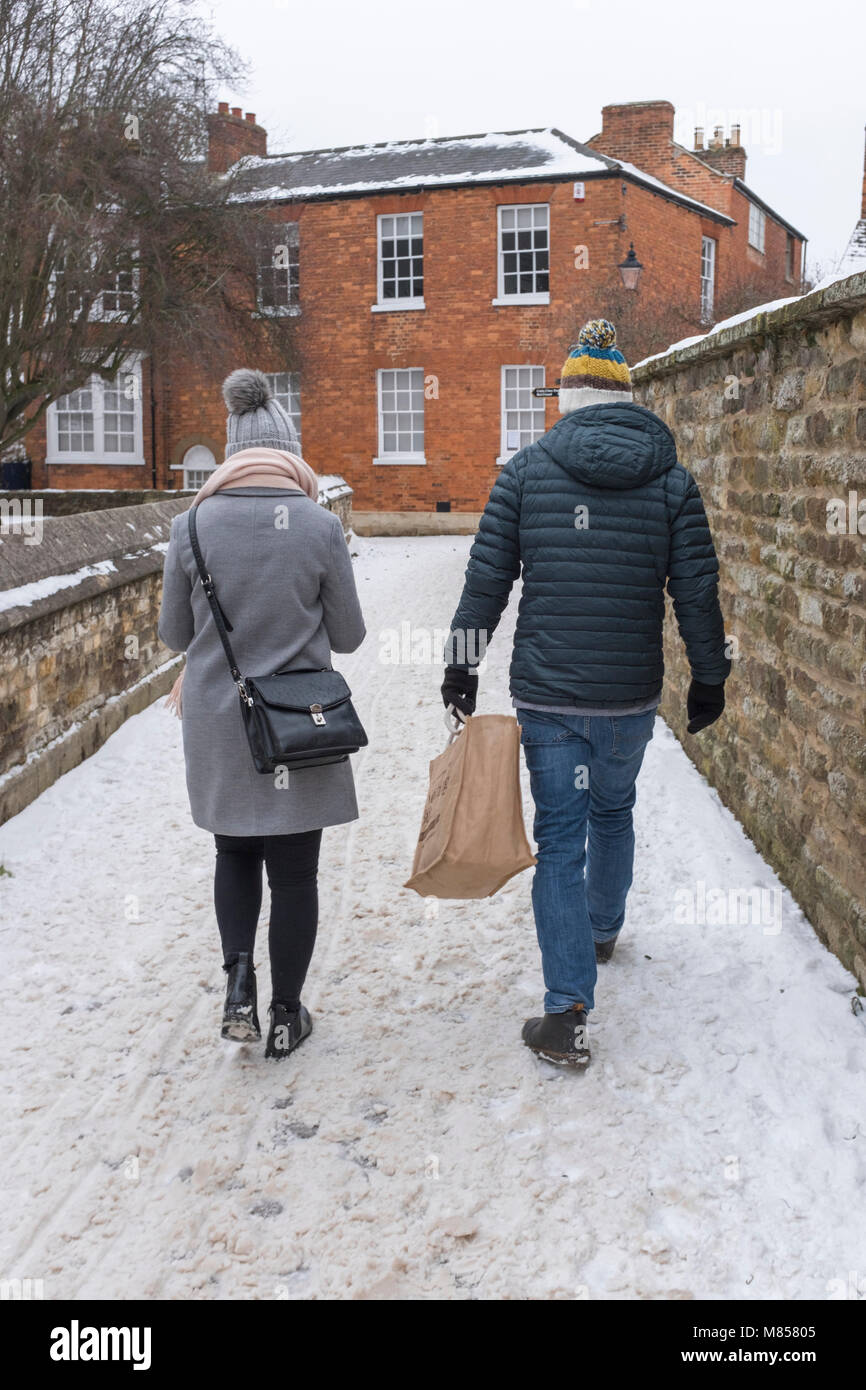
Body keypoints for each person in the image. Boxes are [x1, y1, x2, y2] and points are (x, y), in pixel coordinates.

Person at [442, 319, 730, 1068]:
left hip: (550, 697)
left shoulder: (526, 472)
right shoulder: (670, 481)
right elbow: (696, 589)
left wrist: (461, 666)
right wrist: (709, 675)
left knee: (560, 840)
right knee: (614, 809)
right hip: (629, 696)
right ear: (627, 400)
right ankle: (602, 928)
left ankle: (566, 1009)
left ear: (565, 400)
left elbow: (486, 583)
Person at [159, 369, 366, 1059]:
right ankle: (285, 1013)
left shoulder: (190, 525)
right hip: (296, 724)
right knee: (296, 874)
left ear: (230, 451)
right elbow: (349, 635)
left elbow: (171, 635)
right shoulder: (317, 523)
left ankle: (239, 983)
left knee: (234, 852)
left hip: (220, 721)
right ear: (290, 453)